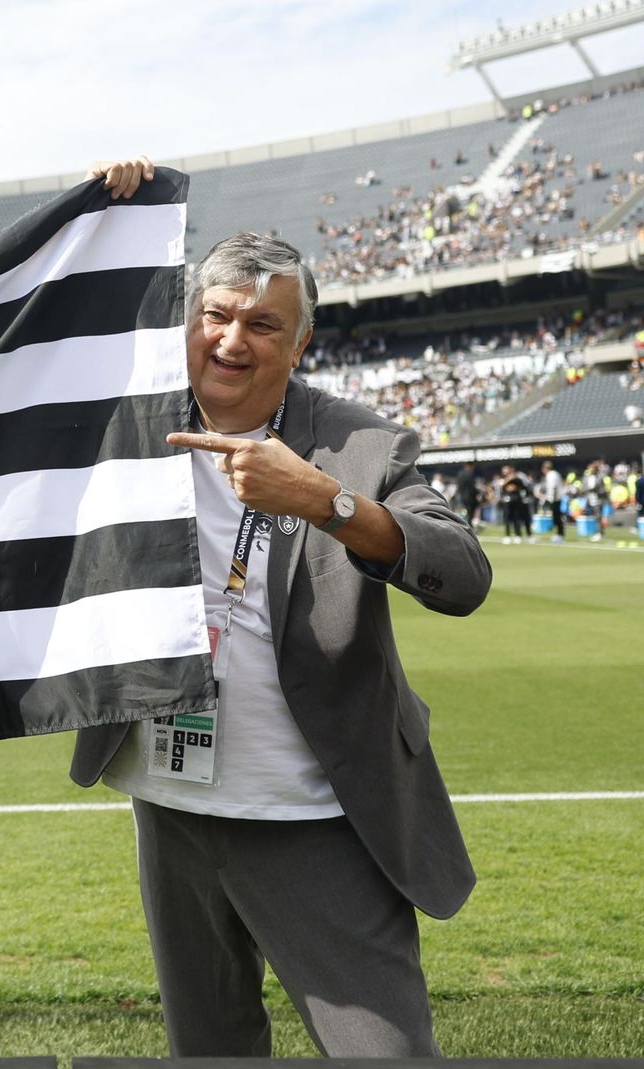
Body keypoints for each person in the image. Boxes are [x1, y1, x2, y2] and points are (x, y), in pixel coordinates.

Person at [73, 161, 493, 1057]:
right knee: (211, 1045)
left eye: (263, 324)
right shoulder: (127, 425)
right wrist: (108, 214)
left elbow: (462, 573)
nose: (232, 339)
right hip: (171, 801)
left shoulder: (359, 443)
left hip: (313, 812)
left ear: (299, 344)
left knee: (385, 1051)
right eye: (214, 315)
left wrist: (327, 503)